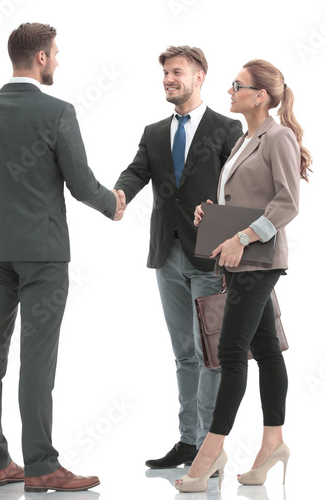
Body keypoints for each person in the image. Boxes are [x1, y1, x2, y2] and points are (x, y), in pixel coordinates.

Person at [0, 22, 125, 493]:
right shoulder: (58, 111)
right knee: (37, 358)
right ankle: (41, 466)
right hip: (44, 254)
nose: (59, 60)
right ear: (43, 58)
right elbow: (81, 182)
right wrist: (114, 204)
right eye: (57, 53)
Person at [175, 59, 312, 492]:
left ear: (261, 96)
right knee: (267, 349)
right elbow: (243, 197)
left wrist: (243, 238)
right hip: (237, 261)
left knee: (231, 353)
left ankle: (211, 451)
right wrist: (211, 213)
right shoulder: (244, 140)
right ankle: (274, 442)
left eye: (238, 85)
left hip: (259, 261)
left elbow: (288, 203)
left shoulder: (279, 137)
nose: (229, 91)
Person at [113, 46, 243, 468]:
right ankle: (189, 439)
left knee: (212, 353)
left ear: (199, 75)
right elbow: (136, 172)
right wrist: (118, 195)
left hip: (211, 250)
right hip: (166, 252)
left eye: (176, 72)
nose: (169, 80)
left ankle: (210, 443)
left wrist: (228, 235)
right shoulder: (154, 131)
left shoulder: (227, 127)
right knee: (184, 352)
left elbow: (240, 186)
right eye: (165, 74)